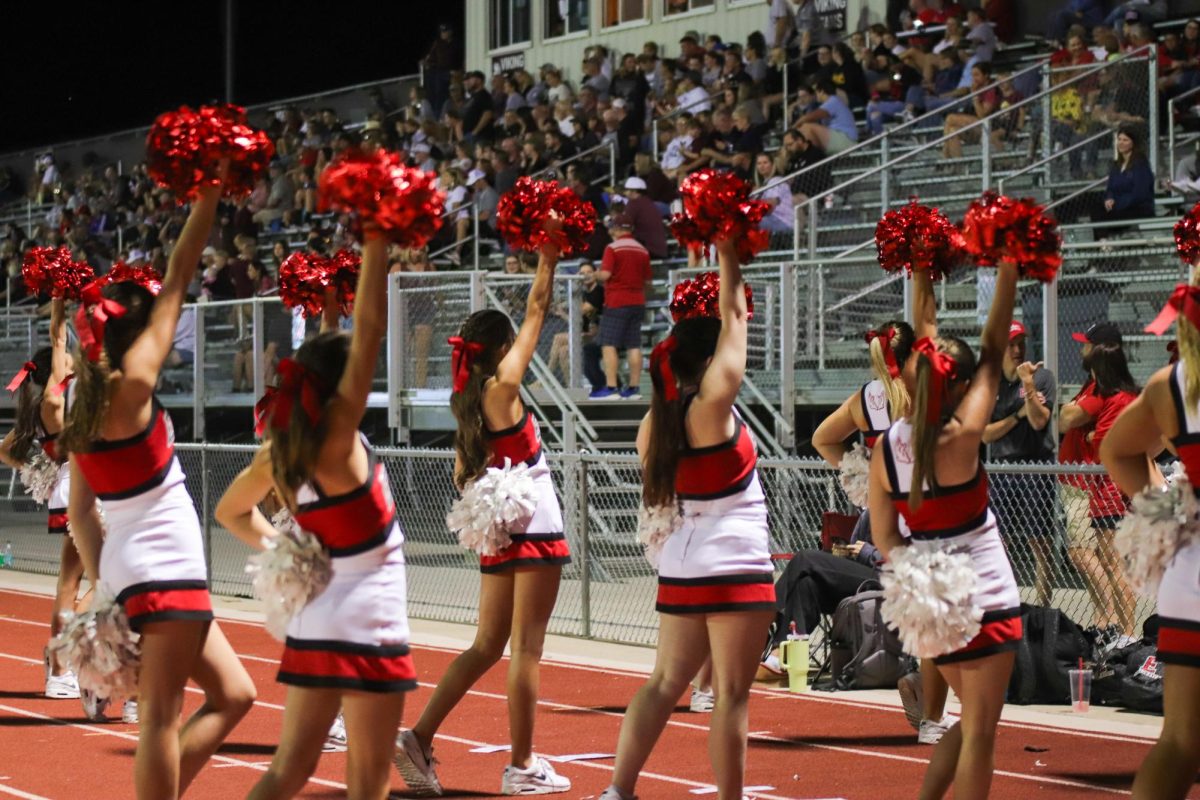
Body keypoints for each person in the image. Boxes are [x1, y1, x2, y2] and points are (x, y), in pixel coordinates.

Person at [63, 171, 256, 798]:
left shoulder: (79, 405)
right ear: (138, 334)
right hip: (165, 564)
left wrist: (103, 588)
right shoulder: (132, 386)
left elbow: (81, 515)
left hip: (128, 567)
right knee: (159, 723)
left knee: (235, 694)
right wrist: (207, 197)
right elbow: (178, 276)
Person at [215, 229, 411, 799]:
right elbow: (371, 328)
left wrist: (287, 549)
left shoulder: (285, 448)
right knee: (368, 780)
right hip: (367, 614)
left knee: (288, 767)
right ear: (342, 391)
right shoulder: (339, 440)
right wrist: (378, 235)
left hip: (318, 615)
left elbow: (231, 512)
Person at [395, 223, 571, 796]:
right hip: (533, 519)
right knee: (527, 650)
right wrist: (547, 258)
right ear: (499, 350)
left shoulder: (466, 400)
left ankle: (419, 736)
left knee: (485, 645)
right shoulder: (502, 388)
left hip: (498, 526)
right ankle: (521, 765)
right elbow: (538, 312)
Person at [600, 238, 773, 800]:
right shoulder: (712, 409)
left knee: (664, 682)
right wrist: (727, 250)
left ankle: (618, 790)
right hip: (735, 559)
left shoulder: (657, 422)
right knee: (731, 695)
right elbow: (737, 315)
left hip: (683, 563)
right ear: (709, 362)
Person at [868, 260, 1024, 800]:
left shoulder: (887, 447)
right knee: (981, 731)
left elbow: (886, 535)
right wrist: (1007, 269)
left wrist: (921, 269)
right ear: (955, 386)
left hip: (935, 603)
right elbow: (992, 339)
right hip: (985, 588)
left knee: (969, 725)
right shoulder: (962, 434)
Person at [1100, 275, 1200, 799]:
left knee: (1182, 742)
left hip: (1192, 567)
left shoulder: (1173, 385)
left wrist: (1166, 514)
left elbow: (1114, 451)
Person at [0, 299, 89, 703]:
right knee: (107, 584)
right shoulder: (55, 404)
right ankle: (62, 660)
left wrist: (45, 472)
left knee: (73, 586)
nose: (71, 366)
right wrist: (58, 307)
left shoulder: (51, 406)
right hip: (87, 491)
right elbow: (59, 342)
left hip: (79, 487)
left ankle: (61, 665)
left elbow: (7, 449)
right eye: (65, 363)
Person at [1057, 322, 1138, 646]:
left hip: (1102, 486)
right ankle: (1110, 623)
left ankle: (1125, 630)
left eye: (1087, 345)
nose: (1082, 350)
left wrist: (1091, 433)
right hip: (1094, 485)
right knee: (1102, 559)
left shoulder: (1111, 394)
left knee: (1104, 561)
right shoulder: (1097, 387)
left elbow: (1069, 421)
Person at [983, 320, 1057, 607]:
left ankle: (1042, 607)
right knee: (999, 542)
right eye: (1011, 344)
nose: (1017, 349)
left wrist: (1027, 385)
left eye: (1020, 343)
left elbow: (1039, 420)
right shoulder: (992, 384)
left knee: (1040, 542)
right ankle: (1007, 603)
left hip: (1036, 466)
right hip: (1003, 468)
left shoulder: (1040, 377)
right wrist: (1017, 415)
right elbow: (985, 434)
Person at [593, 214, 651, 400]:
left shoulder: (613, 248)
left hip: (617, 301)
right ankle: (633, 388)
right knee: (634, 345)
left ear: (617, 229)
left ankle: (611, 388)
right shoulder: (642, 250)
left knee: (609, 344)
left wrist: (595, 275)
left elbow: (606, 275)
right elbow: (648, 281)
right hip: (637, 301)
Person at [1092, 124, 1156, 239]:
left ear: (1133, 143)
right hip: (1119, 206)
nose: (1121, 143)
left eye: (1125, 140)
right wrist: (1109, 198)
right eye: (1119, 139)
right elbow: (1110, 188)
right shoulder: (1116, 165)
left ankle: (1104, 244)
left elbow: (1139, 194)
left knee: (1105, 216)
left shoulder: (1140, 165)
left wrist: (1118, 203)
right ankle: (1102, 243)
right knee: (1096, 207)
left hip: (1137, 208)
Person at [796, 79, 859, 156]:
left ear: (822, 91)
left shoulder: (833, 101)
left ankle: (815, 159)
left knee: (808, 127)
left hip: (847, 141)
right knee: (803, 131)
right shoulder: (830, 103)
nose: (816, 95)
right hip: (840, 139)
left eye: (816, 92)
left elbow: (807, 118)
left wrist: (792, 129)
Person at [617, 176, 668, 259]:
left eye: (626, 190)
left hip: (646, 249)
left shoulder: (634, 203)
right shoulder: (648, 202)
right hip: (659, 250)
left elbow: (623, 224)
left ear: (632, 191)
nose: (625, 193)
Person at [755, 153, 794, 234]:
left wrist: (751, 204)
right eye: (759, 163)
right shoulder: (765, 183)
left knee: (750, 223)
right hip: (772, 219)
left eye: (765, 163)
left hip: (782, 220)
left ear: (772, 165)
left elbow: (772, 204)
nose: (762, 166)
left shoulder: (776, 181)